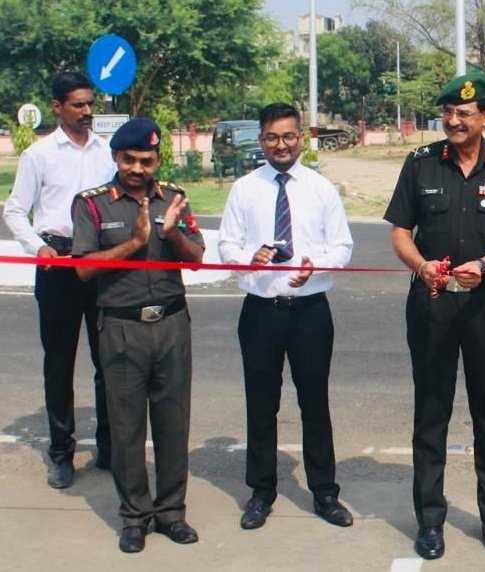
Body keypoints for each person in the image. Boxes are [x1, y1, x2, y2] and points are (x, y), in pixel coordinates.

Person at [384, 72, 485, 560]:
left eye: (464, 113)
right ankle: (430, 521)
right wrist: (422, 265)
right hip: (432, 301)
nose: (453, 120)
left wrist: (483, 265)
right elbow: (400, 234)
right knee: (431, 412)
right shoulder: (421, 163)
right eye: (448, 112)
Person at [217, 103, 355, 531]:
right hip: (261, 311)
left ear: (301, 138)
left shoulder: (320, 188)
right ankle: (260, 493)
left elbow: (343, 246)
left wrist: (319, 265)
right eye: (273, 137)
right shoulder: (244, 189)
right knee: (261, 404)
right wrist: (250, 258)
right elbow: (226, 246)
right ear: (261, 141)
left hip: (311, 311)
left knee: (315, 403)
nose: (281, 144)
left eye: (289, 136)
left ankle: (325, 493)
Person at [70, 118, 205, 553]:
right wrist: (134, 242)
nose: (137, 168)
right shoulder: (91, 204)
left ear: (157, 160)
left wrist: (172, 235)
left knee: (172, 423)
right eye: (129, 159)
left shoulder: (175, 199)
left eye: (146, 161)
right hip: (122, 328)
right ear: (116, 158)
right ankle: (134, 517)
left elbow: (197, 259)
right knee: (127, 428)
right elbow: (84, 268)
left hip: (170, 324)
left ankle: (171, 513)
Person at [3, 72, 114, 488]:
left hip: (102, 264)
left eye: (90, 104)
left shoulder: (107, 152)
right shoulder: (40, 155)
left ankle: (109, 447)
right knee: (60, 362)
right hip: (58, 264)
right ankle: (62, 453)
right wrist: (38, 247)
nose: (87, 112)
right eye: (78, 105)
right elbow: (15, 210)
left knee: (110, 360)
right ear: (57, 108)